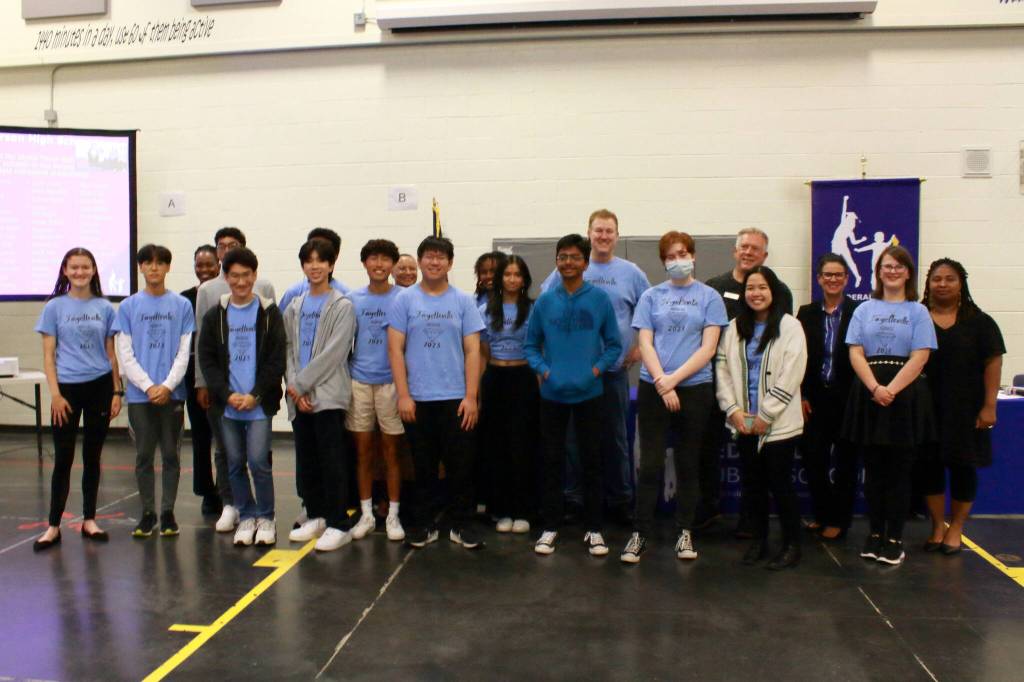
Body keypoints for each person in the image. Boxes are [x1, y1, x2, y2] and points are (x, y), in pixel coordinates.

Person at [621, 232, 726, 564]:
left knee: (687, 462)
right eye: (669, 256)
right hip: (655, 386)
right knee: (650, 463)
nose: (676, 260)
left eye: (682, 253)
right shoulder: (651, 296)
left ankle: (685, 532)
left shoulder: (709, 297)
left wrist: (674, 381)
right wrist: (662, 383)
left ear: (693, 256)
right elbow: (646, 343)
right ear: (663, 261)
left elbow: (708, 348)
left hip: (694, 387)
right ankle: (640, 533)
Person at [540, 209, 650, 522]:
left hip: (613, 372)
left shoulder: (631, 273)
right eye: (598, 231)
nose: (603, 236)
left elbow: (650, 311)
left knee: (616, 438)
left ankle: (620, 500)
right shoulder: (569, 270)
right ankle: (575, 499)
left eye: (609, 231)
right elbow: (545, 310)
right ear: (589, 233)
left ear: (617, 235)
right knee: (574, 440)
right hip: (574, 374)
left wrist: (641, 346)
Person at [526, 234, 622, 557]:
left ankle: (594, 529)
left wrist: (594, 371)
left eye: (574, 257)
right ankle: (550, 527)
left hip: (590, 394)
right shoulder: (545, 302)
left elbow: (614, 346)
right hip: (552, 396)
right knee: (551, 461)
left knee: (591, 461)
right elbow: (530, 345)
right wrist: (544, 371)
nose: (568, 262)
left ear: (585, 261)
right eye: (562, 257)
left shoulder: (599, 300)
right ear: (557, 261)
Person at [387, 236, 485, 550]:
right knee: (423, 466)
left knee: (461, 466)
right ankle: (425, 524)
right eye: (428, 256)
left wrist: (471, 396)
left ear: (450, 263)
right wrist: (403, 395)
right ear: (419, 261)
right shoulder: (404, 301)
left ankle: (462, 525)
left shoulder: (463, 301)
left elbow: (473, 351)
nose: (434, 262)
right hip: (418, 398)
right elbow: (395, 350)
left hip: (456, 398)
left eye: (441, 257)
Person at [842, 245, 936, 567]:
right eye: (886, 266)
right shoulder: (863, 309)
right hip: (870, 392)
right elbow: (855, 352)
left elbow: (921, 355)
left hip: (904, 395)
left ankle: (895, 537)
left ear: (908, 272)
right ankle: (875, 532)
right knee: (874, 472)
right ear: (878, 271)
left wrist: (892, 389)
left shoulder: (918, 312)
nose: (892, 271)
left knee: (899, 472)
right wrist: (875, 387)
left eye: (898, 266)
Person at [715, 266, 807, 570]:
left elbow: (791, 374)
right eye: (751, 288)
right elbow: (723, 370)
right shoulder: (732, 327)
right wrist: (733, 410)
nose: (756, 293)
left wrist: (766, 415)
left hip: (777, 425)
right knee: (753, 487)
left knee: (781, 485)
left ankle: (792, 544)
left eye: (762, 288)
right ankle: (759, 541)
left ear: (774, 292)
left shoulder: (790, 327)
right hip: (744, 423)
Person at [704, 227, 793, 537]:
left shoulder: (780, 290)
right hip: (720, 387)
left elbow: (786, 347)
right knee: (710, 452)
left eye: (755, 249)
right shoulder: (714, 287)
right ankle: (708, 510)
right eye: (744, 247)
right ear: (735, 251)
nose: (748, 252)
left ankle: (753, 521)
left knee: (763, 465)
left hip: (764, 396)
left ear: (765, 256)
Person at [33, 248, 122, 551]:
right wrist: (55, 395)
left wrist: (116, 391)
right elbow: (48, 357)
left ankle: (89, 519)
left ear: (94, 271)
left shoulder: (105, 308)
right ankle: (54, 525)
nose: (80, 272)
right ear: (65, 271)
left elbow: (111, 354)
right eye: (75, 267)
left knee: (92, 457)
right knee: (63, 458)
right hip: (67, 391)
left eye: (86, 267)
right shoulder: (54, 308)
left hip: (98, 387)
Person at [198, 247, 286, 547]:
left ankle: (267, 517)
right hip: (229, 405)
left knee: (259, 462)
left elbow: (276, 359)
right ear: (225, 277)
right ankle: (246, 516)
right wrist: (227, 394)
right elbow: (208, 360)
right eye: (234, 276)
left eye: (246, 275)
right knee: (234, 463)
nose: (240, 281)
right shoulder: (215, 316)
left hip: (258, 405)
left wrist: (256, 395)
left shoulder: (269, 313)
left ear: (254, 276)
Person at [919, 258, 1004, 555]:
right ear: (928, 284)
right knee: (929, 468)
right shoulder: (917, 318)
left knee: (963, 468)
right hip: (927, 410)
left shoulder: (980, 322)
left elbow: (993, 361)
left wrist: (989, 405)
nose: (942, 284)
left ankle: (956, 528)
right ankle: (937, 526)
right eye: (936, 279)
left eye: (950, 279)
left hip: (967, 410)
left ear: (961, 284)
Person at [115, 245, 195, 538]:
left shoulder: (182, 306)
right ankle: (148, 513)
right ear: (140, 267)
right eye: (148, 263)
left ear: (168, 268)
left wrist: (167, 385)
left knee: (171, 454)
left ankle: (168, 512)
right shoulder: (128, 307)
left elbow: (184, 352)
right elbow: (125, 353)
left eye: (160, 263)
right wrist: (149, 386)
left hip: (172, 394)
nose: (154, 268)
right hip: (140, 396)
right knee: (144, 455)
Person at [284, 238, 357, 552]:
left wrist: (300, 386)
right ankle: (315, 514)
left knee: (332, 459)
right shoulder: (295, 306)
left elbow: (334, 353)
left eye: (321, 261)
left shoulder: (343, 305)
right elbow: (287, 348)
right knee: (307, 459)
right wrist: (294, 388)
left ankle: (338, 521)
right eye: (309, 261)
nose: (315, 266)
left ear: (331, 265)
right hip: (299, 398)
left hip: (326, 395)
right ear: (303, 266)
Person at [797, 254, 860, 541]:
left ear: (846, 279)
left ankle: (839, 520)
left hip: (848, 400)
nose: (832, 279)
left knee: (847, 464)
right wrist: (800, 394)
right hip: (814, 399)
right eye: (827, 275)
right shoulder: (806, 313)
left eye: (838, 275)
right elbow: (796, 358)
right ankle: (822, 515)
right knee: (814, 461)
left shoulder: (860, 312)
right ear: (819, 279)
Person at [347, 239, 407, 543]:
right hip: (359, 382)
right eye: (373, 259)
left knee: (392, 451)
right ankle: (367, 514)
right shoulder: (352, 299)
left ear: (393, 264)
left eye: (385, 259)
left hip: (392, 384)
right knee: (363, 452)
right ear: (365, 263)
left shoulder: (405, 298)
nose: (379, 264)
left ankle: (393, 514)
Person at [480, 255, 539, 535]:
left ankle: (523, 509)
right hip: (494, 379)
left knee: (523, 444)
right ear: (500, 278)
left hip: (524, 379)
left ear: (524, 279)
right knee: (497, 445)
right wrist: (476, 391)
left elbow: (540, 349)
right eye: (507, 274)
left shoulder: (534, 309)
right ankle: (501, 509)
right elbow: (481, 352)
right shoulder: (486, 310)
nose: (512, 279)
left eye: (518, 274)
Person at [181, 245, 221, 515]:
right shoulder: (186, 299)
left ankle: (226, 487)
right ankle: (207, 491)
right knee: (200, 435)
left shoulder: (225, 294)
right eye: (200, 265)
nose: (204, 269)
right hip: (194, 373)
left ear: (219, 264)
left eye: (209, 264)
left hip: (220, 372)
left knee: (225, 436)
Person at [278, 227, 351, 314]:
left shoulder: (345, 294)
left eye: (321, 256)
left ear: (335, 256)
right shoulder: (294, 292)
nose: (315, 266)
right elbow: (281, 323)